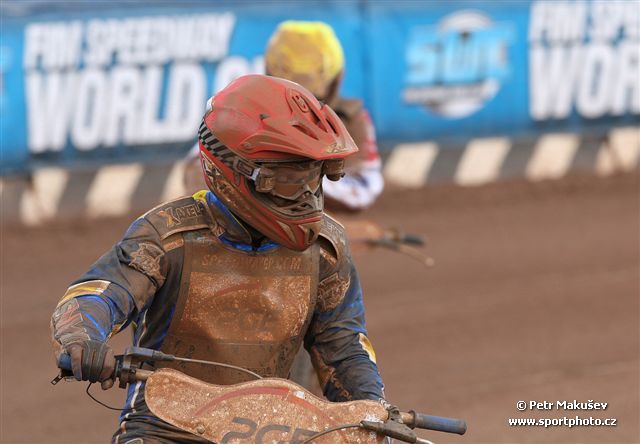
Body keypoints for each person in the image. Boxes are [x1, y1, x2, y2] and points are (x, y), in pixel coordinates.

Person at [50, 75, 385, 443]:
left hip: (267, 433)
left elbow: (344, 347)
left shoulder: (326, 248)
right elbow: (99, 294)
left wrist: (373, 411)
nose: (306, 196)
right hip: (164, 430)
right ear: (233, 170)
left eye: (314, 178)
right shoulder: (168, 236)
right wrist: (82, 338)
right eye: (289, 181)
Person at [184, 21, 384, 212]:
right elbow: (198, 165)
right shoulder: (245, 109)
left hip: (320, 220)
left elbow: (365, 188)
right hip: (253, 219)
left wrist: (297, 177)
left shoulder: (350, 117)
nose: (302, 108)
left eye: (312, 97)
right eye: (292, 97)